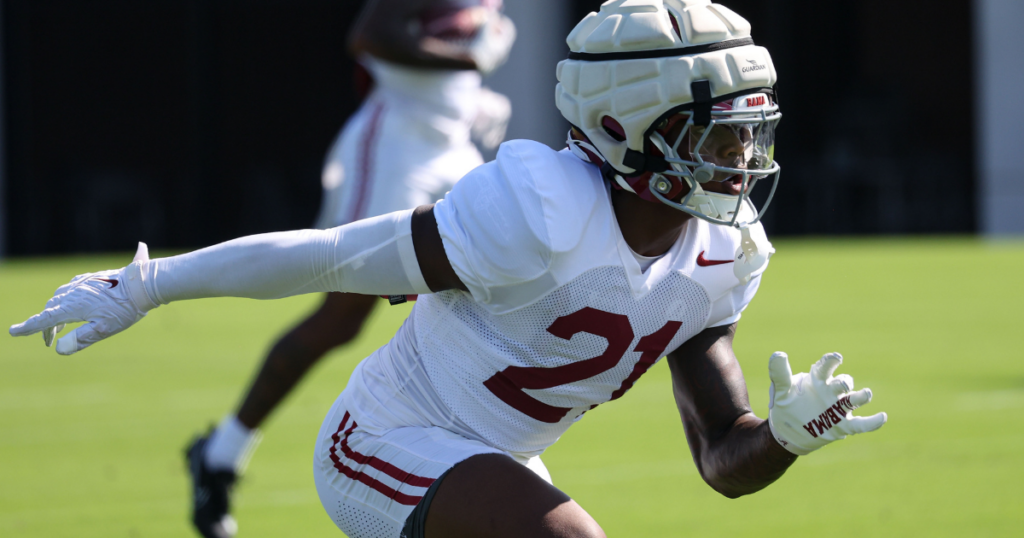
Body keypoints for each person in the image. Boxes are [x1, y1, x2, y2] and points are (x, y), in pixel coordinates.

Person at [9, 2, 887, 538]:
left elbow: (721, 461)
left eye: (750, 131)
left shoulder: (726, 255)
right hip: (383, 443)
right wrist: (151, 283)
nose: (743, 157)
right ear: (630, 130)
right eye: (720, 133)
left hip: (496, 464)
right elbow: (335, 256)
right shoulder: (537, 208)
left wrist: (781, 438)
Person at [181, 0, 515, 536]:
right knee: (343, 314)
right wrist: (464, 60)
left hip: (451, 146)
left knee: (498, 285)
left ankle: (469, 450)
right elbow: (370, 35)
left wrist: (470, 96)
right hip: (395, 148)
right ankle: (220, 455)